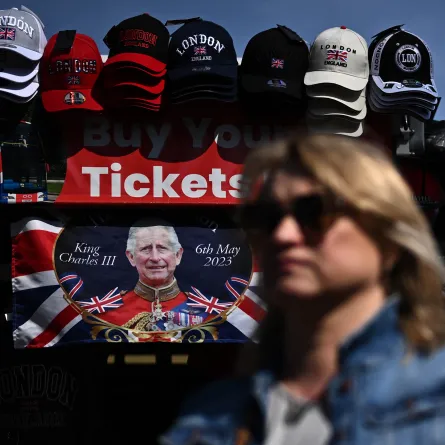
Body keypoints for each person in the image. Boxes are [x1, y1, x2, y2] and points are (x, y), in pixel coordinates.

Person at [161, 134, 445, 445]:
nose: (283, 235)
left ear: (389, 239)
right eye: (266, 218)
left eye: (314, 212)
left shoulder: (435, 391)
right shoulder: (210, 416)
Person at [100, 218, 204, 331]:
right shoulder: (106, 313)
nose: (155, 257)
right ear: (131, 257)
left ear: (178, 255)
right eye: (145, 249)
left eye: (162, 248)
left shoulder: (205, 311)